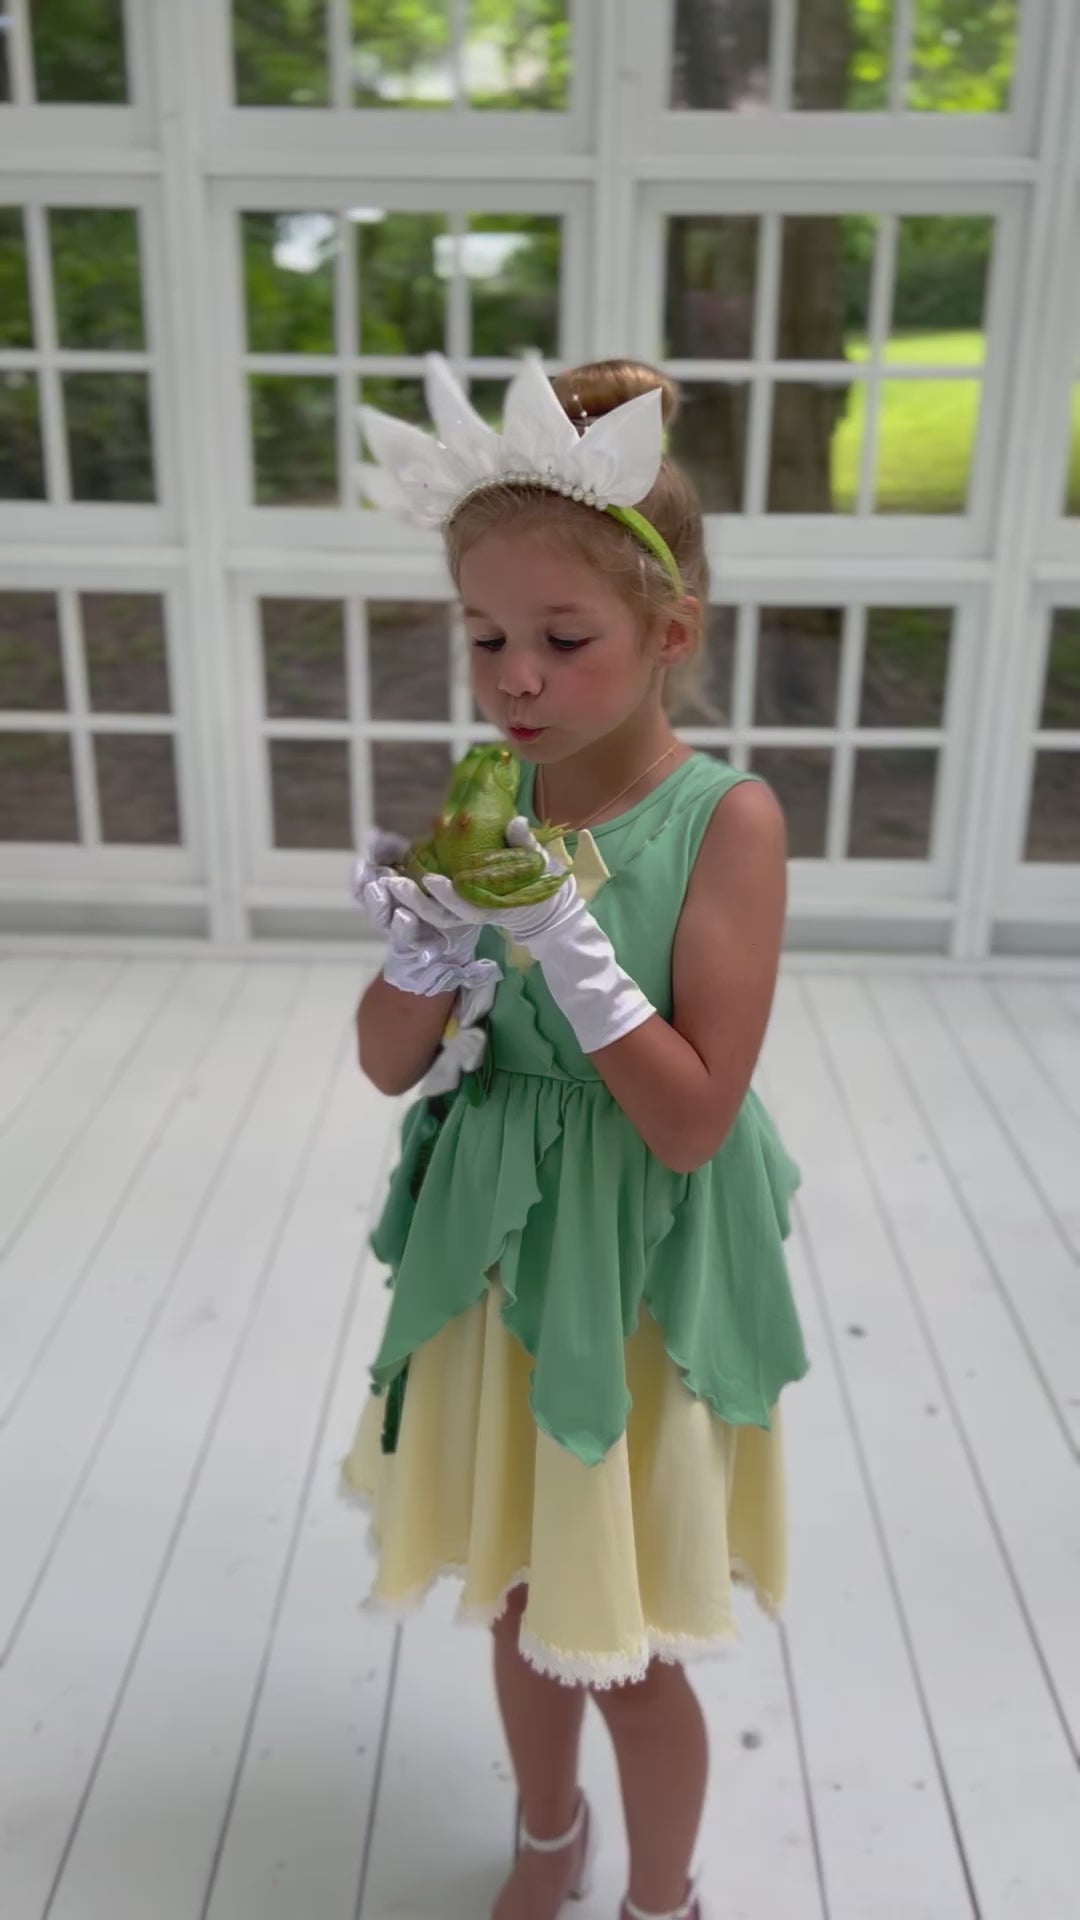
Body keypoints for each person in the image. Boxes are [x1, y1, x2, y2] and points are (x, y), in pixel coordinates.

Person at [343, 351, 808, 1920]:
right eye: (484, 639)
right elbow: (384, 1067)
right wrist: (424, 956)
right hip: (501, 1252)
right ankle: (548, 1833)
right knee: (520, 1587)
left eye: (562, 639)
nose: (514, 680)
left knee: (623, 1633)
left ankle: (659, 1893)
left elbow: (689, 1123)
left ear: (669, 636)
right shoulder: (494, 806)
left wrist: (570, 941)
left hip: (636, 1262)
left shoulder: (723, 822)